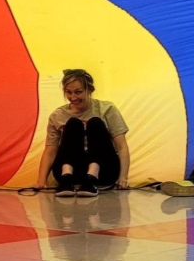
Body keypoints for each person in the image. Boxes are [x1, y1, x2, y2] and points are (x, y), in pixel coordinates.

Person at [33, 69, 130, 197]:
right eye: (68, 92)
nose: (73, 97)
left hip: (104, 171)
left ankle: (92, 175)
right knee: (73, 123)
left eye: (78, 92)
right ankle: (66, 177)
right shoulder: (57, 115)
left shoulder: (107, 109)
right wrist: (41, 180)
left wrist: (123, 178)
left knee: (95, 122)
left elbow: (121, 146)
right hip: (72, 173)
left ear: (89, 90)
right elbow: (50, 151)